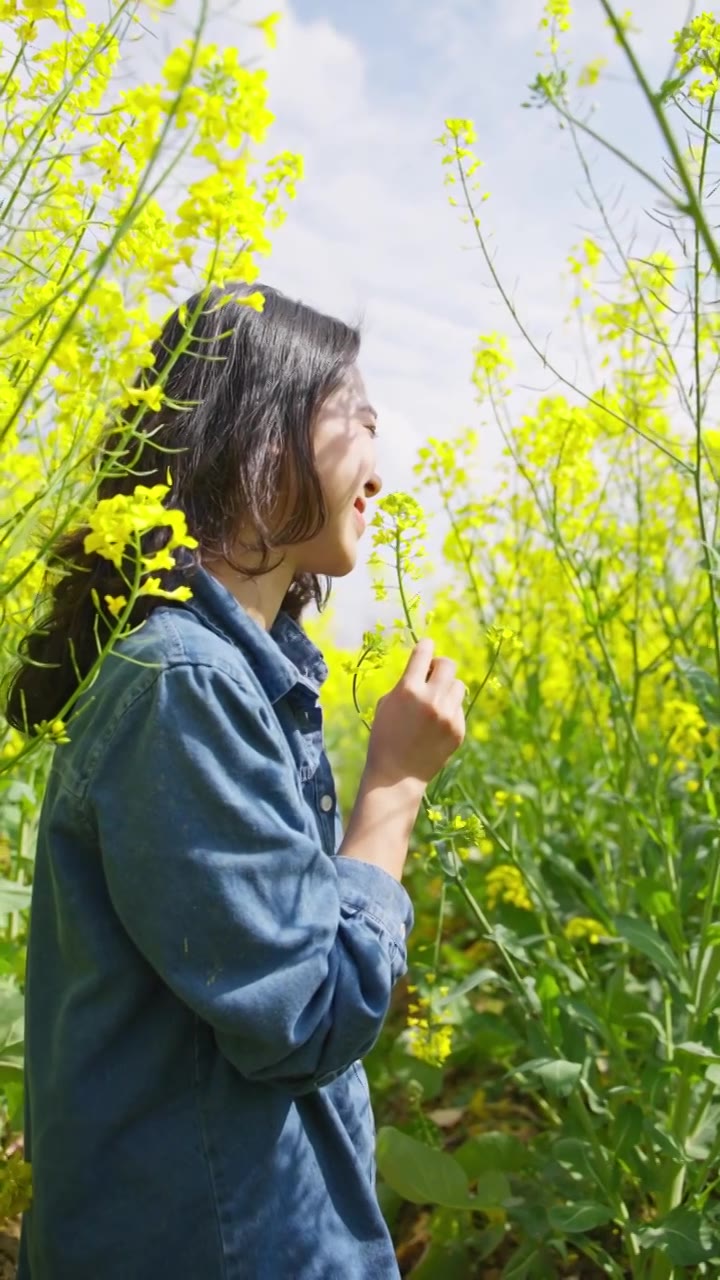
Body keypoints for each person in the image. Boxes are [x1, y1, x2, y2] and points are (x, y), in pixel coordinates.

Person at [5, 282, 466, 1279]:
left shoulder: (218, 673)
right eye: (362, 423)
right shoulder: (182, 684)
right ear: (264, 448)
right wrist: (393, 785)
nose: (379, 474)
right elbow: (310, 1014)